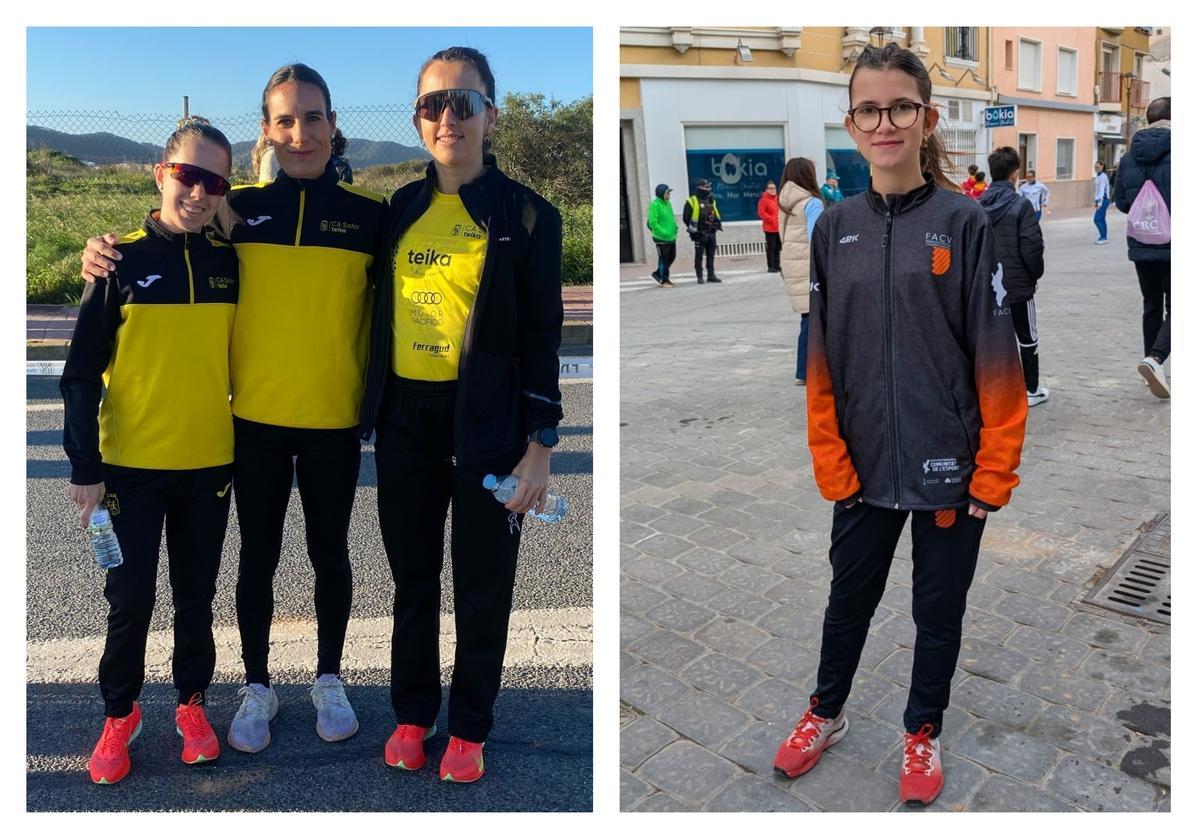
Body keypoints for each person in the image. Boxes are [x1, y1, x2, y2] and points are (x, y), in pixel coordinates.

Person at [81, 64, 390, 754]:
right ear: (267, 132)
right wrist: (101, 253)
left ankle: (329, 677)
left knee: (330, 554)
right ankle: (257, 684)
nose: (301, 133)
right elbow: (171, 230)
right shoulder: (236, 207)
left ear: (333, 125)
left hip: (335, 421)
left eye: (313, 117)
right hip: (252, 421)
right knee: (258, 558)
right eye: (285, 120)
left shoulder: (373, 216)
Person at [772, 43, 1027, 807]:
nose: (885, 123)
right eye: (870, 110)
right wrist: (831, 459)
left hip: (951, 467)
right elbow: (821, 358)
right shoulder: (834, 228)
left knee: (936, 613)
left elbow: (997, 354)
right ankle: (825, 713)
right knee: (847, 602)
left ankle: (923, 730)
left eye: (901, 107)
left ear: (927, 118)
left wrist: (993, 473)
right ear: (852, 123)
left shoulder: (964, 221)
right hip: (860, 467)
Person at [357, 46, 564, 784]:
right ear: (417, 120)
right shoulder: (399, 210)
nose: (448, 117)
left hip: (489, 427)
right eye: (432, 104)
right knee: (412, 582)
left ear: (490, 115)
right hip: (405, 420)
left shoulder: (531, 216)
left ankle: (470, 725)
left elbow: (542, 337)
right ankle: (413, 715)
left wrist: (540, 446)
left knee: (482, 588)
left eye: (464, 102)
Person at [62, 120, 239, 785]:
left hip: (208, 464)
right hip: (129, 470)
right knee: (129, 600)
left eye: (213, 182)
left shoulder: (229, 262)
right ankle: (121, 713)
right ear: (160, 173)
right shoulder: (118, 262)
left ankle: (192, 705)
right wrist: (85, 467)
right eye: (187, 175)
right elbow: (80, 374)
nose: (197, 192)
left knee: (196, 598)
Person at [980, 146, 1048, 406]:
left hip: (987, 288)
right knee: (1028, 338)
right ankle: (1031, 390)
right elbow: (1032, 246)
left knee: (994, 341)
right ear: (1015, 174)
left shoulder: (977, 206)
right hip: (1018, 288)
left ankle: (996, 391)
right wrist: (1034, 275)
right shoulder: (1021, 205)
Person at [1114, 95, 1171, 398]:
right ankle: (1155, 360)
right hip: (1173, 243)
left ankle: (1151, 366)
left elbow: (1122, 201)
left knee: (1152, 304)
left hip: (1141, 240)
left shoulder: (1128, 157)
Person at [777, 158, 824, 385]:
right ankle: (807, 370)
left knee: (808, 317)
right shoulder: (812, 203)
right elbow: (817, 238)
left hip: (792, 264)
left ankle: (803, 370)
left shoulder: (785, 202)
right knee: (814, 319)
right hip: (809, 266)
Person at [683, 178, 722, 283]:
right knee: (699, 256)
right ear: (700, 187)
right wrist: (694, 230)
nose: (709, 188)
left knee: (711, 255)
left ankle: (711, 275)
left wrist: (716, 225)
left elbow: (715, 213)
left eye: (709, 186)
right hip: (699, 233)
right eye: (707, 187)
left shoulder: (711, 199)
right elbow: (686, 218)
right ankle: (699, 276)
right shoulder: (692, 200)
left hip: (711, 232)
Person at [647, 183, 677, 287]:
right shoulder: (655, 205)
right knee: (664, 260)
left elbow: (670, 218)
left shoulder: (668, 204)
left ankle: (657, 274)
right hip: (661, 238)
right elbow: (652, 222)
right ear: (662, 194)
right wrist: (663, 233)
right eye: (667, 193)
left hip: (671, 237)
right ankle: (664, 280)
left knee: (672, 257)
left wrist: (675, 228)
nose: (669, 195)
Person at [757, 180, 781, 272]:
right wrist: (771, 219)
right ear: (766, 190)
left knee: (778, 248)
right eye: (770, 188)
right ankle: (771, 266)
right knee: (771, 248)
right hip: (769, 228)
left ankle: (777, 265)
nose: (772, 190)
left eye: (774, 188)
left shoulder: (777, 199)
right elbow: (761, 213)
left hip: (778, 227)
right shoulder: (763, 200)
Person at [1094, 161, 1111, 244]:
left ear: (1102, 167)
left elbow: (1102, 191)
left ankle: (1103, 237)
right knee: (1102, 219)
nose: (1096, 169)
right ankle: (1103, 237)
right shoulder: (1098, 176)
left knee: (1097, 219)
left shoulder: (1103, 177)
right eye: (1095, 167)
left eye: (1098, 167)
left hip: (1103, 200)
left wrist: (1099, 203)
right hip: (1102, 200)